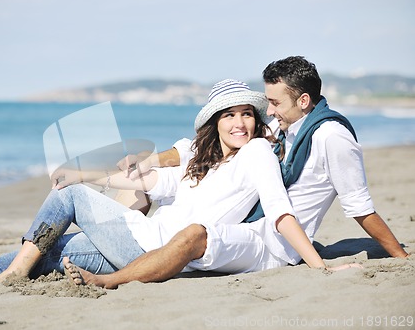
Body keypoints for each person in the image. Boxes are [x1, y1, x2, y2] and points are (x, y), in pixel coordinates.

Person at [0, 79, 341, 288]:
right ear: (215, 123)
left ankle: (12, 275)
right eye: (229, 115)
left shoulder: (255, 154)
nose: (240, 123)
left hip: (149, 247)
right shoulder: (201, 163)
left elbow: (279, 210)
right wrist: (86, 170)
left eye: (246, 114)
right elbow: (151, 179)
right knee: (53, 248)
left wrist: (317, 264)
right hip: (137, 241)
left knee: (71, 194)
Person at [63, 56, 408, 289]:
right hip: (255, 229)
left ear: (303, 101)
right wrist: (150, 160)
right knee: (115, 215)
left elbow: (359, 206)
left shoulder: (331, 137)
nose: (268, 113)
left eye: (274, 104)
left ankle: (108, 281)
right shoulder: (288, 131)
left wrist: (401, 258)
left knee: (190, 233)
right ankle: (28, 262)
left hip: (274, 244)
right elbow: (194, 150)